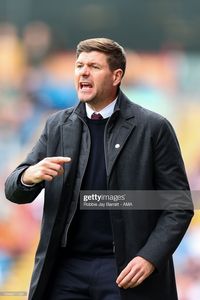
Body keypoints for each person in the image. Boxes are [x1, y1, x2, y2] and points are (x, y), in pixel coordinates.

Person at [5, 38, 193, 300]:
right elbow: (14, 190)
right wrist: (28, 176)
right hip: (65, 269)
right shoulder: (57, 125)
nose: (83, 72)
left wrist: (149, 257)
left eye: (93, 66)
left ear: (116, 76)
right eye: (79, 65)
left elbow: (179, 205)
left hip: (123, 269)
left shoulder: (153, 128)